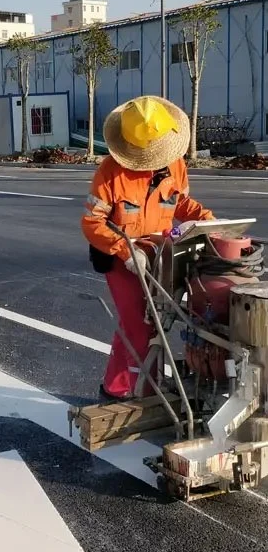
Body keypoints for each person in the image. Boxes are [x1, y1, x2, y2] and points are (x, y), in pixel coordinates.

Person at [81, 96, 214, 401]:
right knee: (140, 327)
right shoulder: (111, 172)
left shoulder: (176, 163)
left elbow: (179, 202)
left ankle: (114, 388)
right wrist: (127, 252)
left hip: (163, 254)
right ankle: (146, 394)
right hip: (122, 259)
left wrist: (209, 221)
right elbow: (91, 223)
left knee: (143, 323)